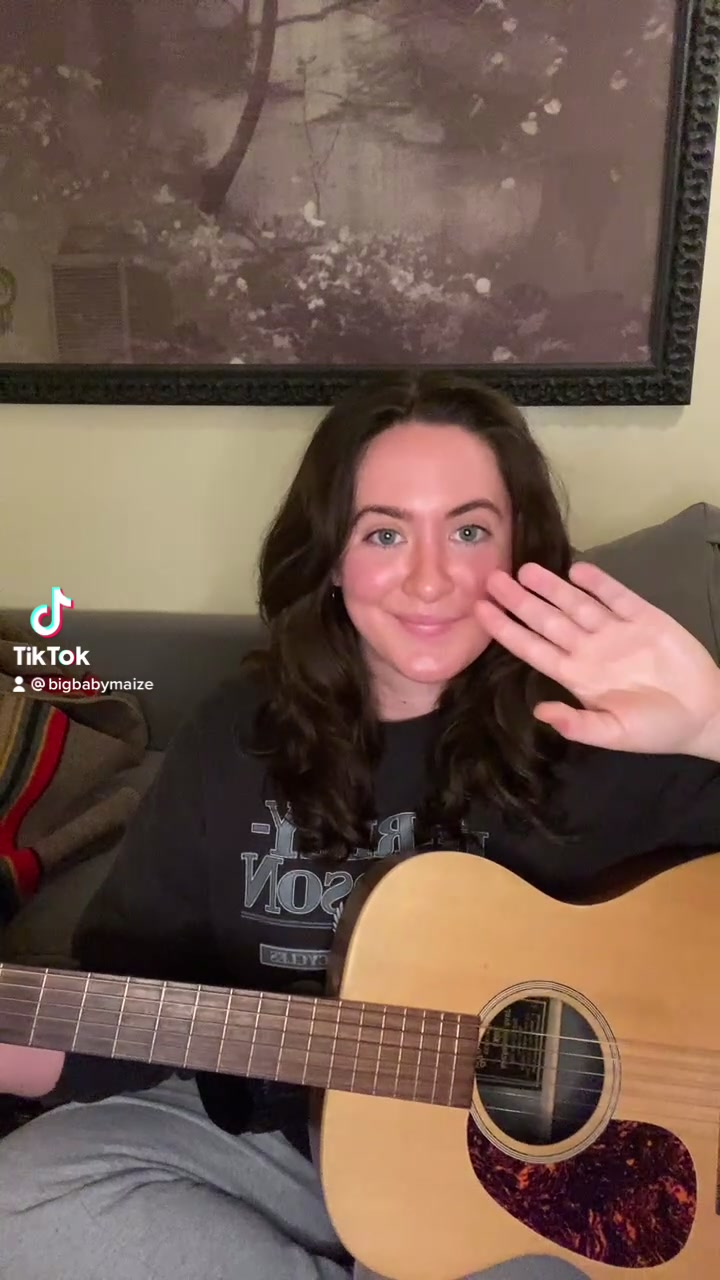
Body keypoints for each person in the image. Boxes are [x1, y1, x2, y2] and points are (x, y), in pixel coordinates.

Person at [1, 371, 719, 1280]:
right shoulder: (236, 733)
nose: (430, 578)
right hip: (283, 1144)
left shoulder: (605, 722)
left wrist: (711, 724)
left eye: (470, 530)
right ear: (333, 558)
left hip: (547, 1189)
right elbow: (129, 1008)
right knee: (19, 1203)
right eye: (384, 533)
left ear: (521, 547)